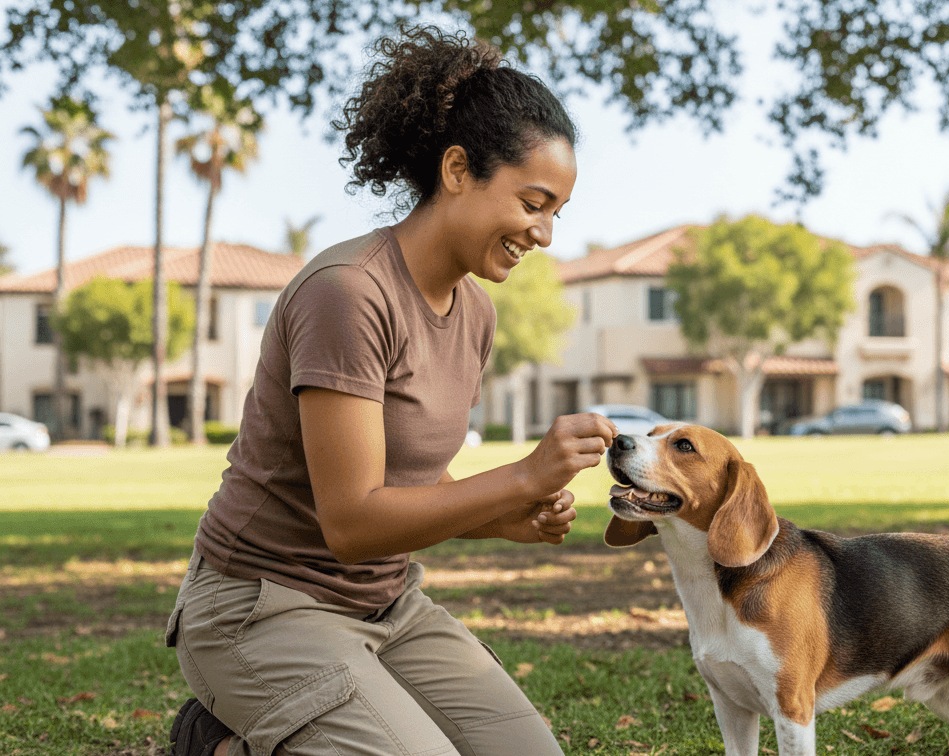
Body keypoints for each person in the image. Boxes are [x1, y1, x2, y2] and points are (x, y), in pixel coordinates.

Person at [165, 26, 617, 756]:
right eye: (533, 202)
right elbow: (353, 522)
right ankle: (221, 744)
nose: (544, 233)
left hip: (387, 607)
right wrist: (523, 475)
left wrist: (504, 516)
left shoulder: (473, 313)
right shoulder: (348, 293)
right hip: (260, 607)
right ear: (459, 168)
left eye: (555, 212)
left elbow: (412, 480)